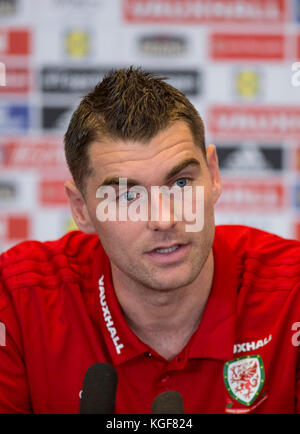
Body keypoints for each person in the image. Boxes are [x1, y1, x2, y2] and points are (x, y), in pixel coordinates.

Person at [1, 67, 300, 414]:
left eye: (181, 184)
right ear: (81, 209)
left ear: (213, 175)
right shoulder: (21, 300)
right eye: (127, 196)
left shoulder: (293, 293)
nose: (164, 219)